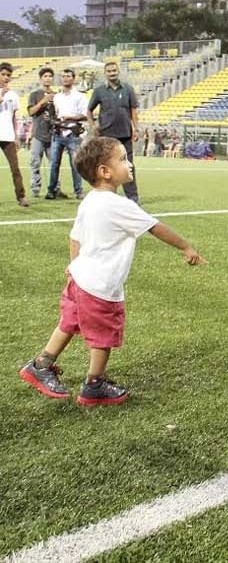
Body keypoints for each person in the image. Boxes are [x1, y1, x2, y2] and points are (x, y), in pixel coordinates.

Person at [19, 136, 207, 405]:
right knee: (103, 333)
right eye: (122, 159)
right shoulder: (119, 205)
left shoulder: (89, 201)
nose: (129, 164)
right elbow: (155, 227)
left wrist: (74, 266)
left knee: (69, 322)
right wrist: (186, 247)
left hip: (80, 277)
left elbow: (75, 236)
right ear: (104, 172)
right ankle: (94, 385)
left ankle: (41, 364)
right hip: (100, 286)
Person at [87, 62, 140, 203]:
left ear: (118, 71)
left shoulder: (128, 89)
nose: (112, 73)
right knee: (105, 166)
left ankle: (133, 197)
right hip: (106, 135)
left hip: (125, 134)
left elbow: (133, 110)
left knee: (128, 165)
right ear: (105, 73)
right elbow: (89, 110)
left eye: (114, 70)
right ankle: (105, 194)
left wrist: (136, 128)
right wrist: (93, 126)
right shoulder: (99, 91)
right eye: (109, 71)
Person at [45, 68, 87, 200]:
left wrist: (70, 118)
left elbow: (85, 115)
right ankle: (52, 190)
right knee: (54, 164)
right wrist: (51, 118)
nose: (65, 78)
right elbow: (54, 115)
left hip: (73, 133)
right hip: (58, 133)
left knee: (75, 164)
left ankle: (78, 191)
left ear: (73, 79)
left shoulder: (80, 96)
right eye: (63, 76)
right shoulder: (57, 97)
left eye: (68, 76)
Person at [27, 67, 65, 198]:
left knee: (54, 163)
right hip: (38, 134)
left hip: (53, 134)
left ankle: (56, 188)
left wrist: (53, 118)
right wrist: (43, 101)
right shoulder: (34, 94)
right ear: (41, 78)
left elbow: (60, 115)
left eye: (50, 76)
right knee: (35, 163)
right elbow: (31, 112)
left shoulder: (58, 95)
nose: (48, 78)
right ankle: (35, 189)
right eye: (45, 76)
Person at [0, 62, 29, 206]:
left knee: (15, 168)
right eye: (3, 74)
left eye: (8, 75)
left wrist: (16, 136)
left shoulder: (13, 95)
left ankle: (21, 196)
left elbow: (12, 117)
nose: (6, 78)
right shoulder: (4, 94)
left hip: (7, 135)